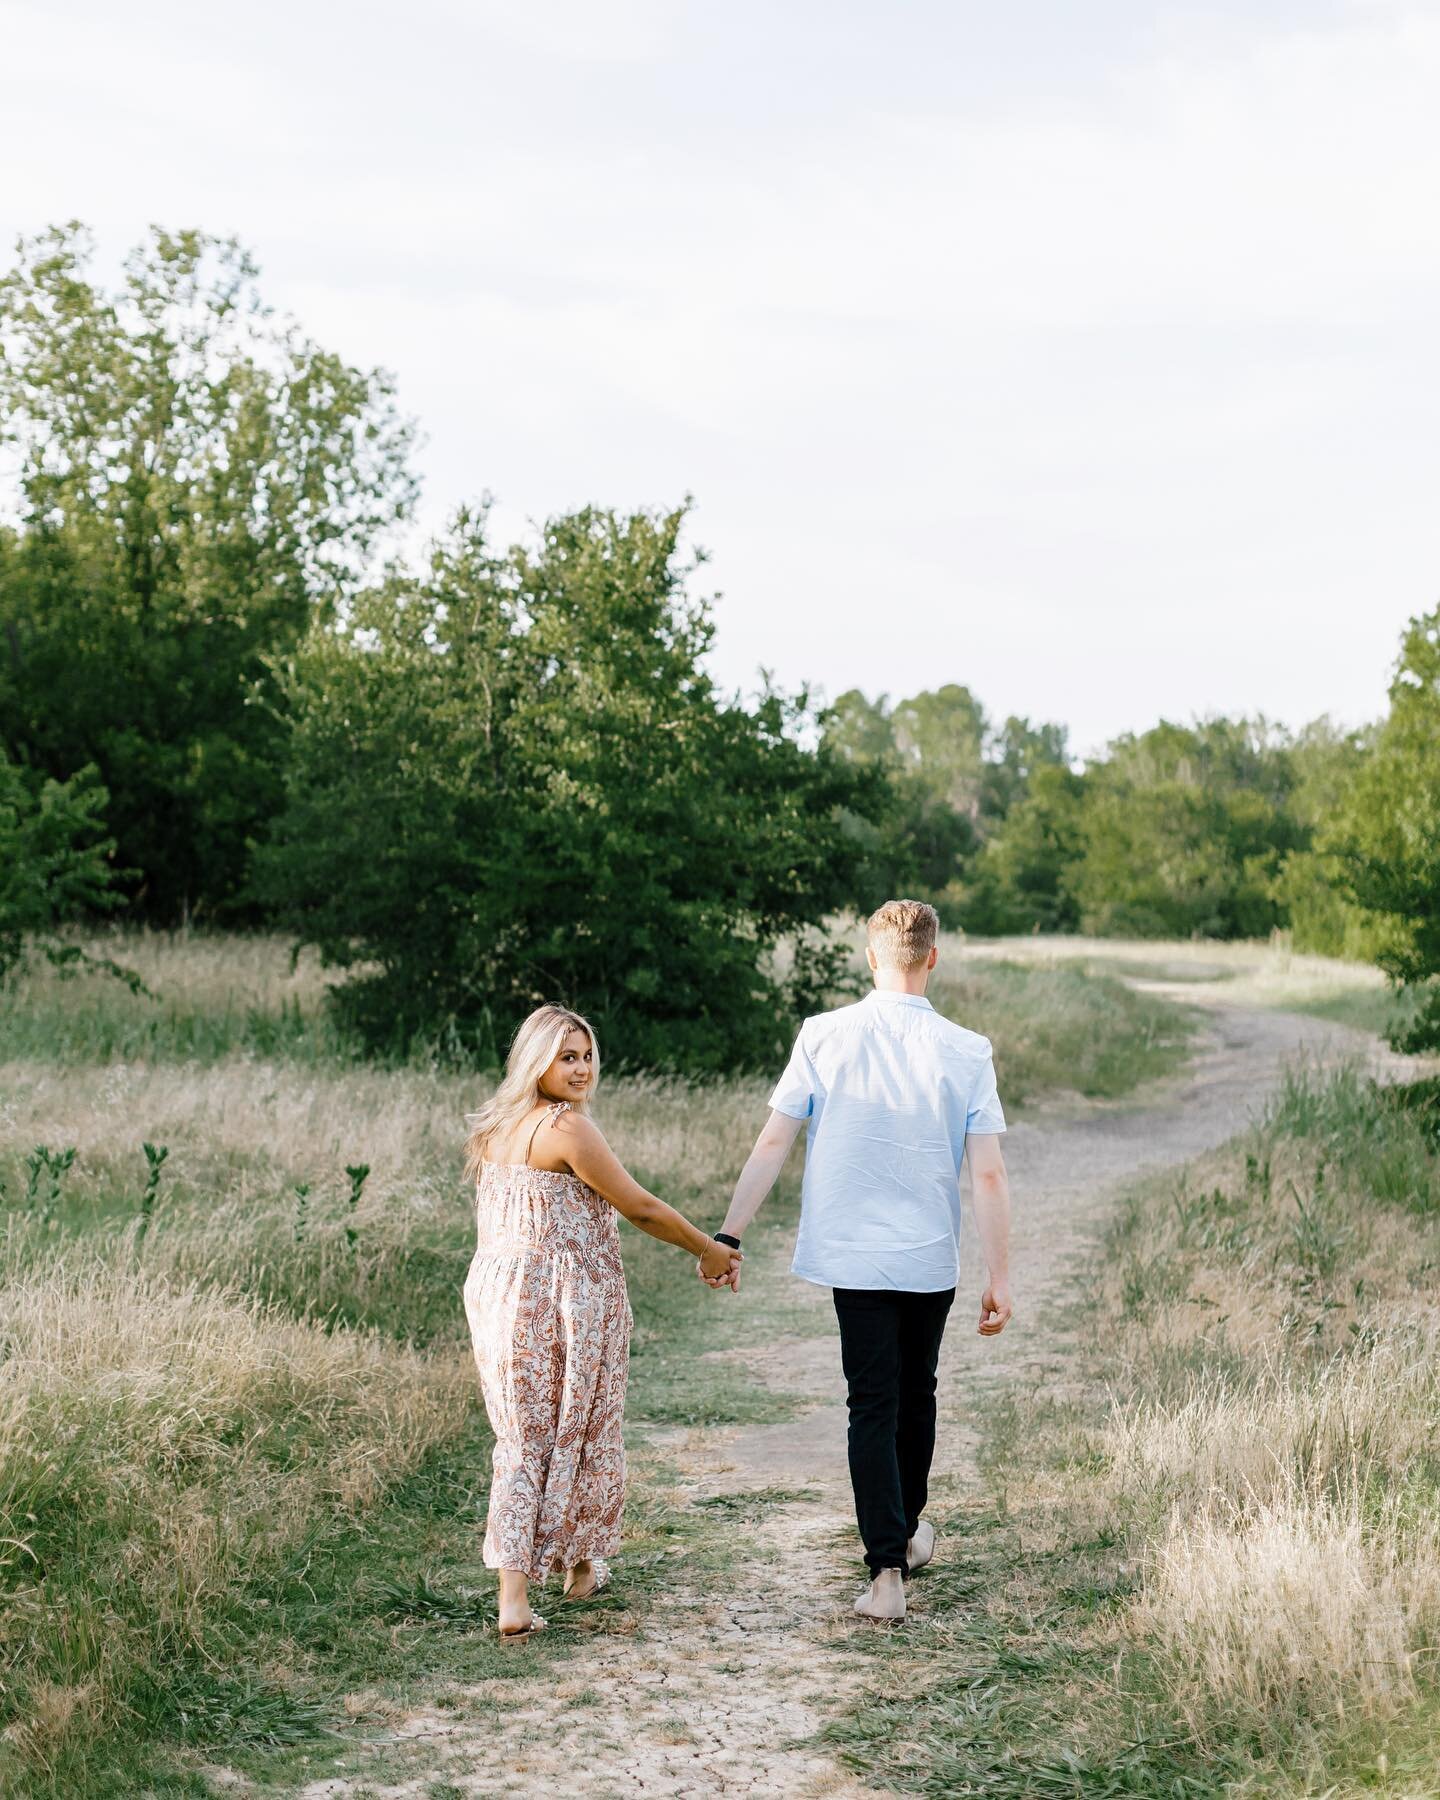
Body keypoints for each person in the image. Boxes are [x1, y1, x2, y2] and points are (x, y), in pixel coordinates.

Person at [705, 899, 1012, 1622]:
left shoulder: (824, 1035)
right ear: (932, 958)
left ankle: (887, 1574)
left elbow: (774, 1141)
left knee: (872, 1402)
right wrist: (1001, 1276)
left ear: (871, 958)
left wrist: (729, 1234)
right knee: (917, 1394)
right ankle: (901, 1536)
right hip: (929, 1255)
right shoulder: (967, 1049)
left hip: (855, 1253)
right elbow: (990, 1175)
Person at [463, 1003, 742, 1642]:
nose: (582, 1068)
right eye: (567, 1056)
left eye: (587, 1055)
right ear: (536, 1061)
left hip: (499, 1293)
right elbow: (640, 1207)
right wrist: (708, 1248)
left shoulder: (496, 1126)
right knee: (579, 1423)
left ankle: (564, 1573)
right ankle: (543, 1580)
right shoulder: (567, 1130)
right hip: (566, 1299)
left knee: (523, 1434)